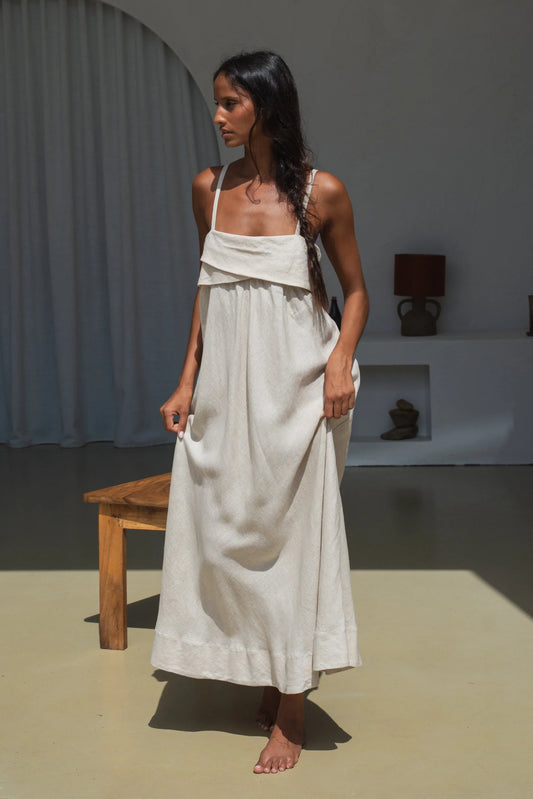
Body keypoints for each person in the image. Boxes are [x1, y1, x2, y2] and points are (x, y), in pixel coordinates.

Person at [151, 50, 369, 775]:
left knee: (293, 542)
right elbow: (207, 289)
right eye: (216, 103)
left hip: (301, 387)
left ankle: (292, 707)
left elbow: (355, 292)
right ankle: (262, 663)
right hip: (226, 390)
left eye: (229, 103)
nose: (216, 115)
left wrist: (339, 363)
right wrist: (186, 380)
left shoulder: (320, 193)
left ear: (266, 107)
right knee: (223, 529)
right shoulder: (208, 189)